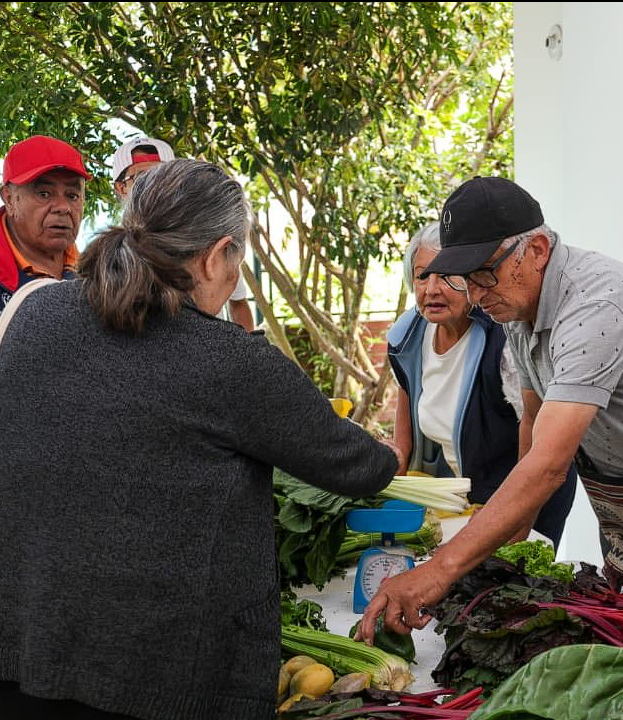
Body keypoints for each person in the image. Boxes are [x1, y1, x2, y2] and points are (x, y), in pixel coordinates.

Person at [0, 159, 399, 720]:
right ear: (217, 256)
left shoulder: (32, 312)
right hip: (160, 684)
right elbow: (360, 467)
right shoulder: (230, 361)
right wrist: (394, 450)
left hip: (26, 654)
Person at [359, 176, 623, 641]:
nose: (475, 296)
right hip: (622, 492)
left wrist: (439, 571)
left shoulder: (596, 306)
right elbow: (534, 424)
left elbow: (546, 466)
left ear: (536, 249)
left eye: (484, 273)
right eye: (466, 278)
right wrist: (507, 549)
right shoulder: (518, 309)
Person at [388, 222, 576, 548]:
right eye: (422, 276)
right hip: (462, 507)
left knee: (517, 586)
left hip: (526, 493)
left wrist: (508, 525)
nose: (432, 288)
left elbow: (536, 436)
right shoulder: (407, 337)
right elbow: (403, 444)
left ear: (473, 279)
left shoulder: (503, 340)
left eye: (447, 276)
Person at [112, 136, 256, 331]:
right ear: (121, 188)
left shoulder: (209, 236)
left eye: (161, 175)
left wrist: (242, 352)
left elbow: (238, 302)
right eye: (141, 177)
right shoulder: (113, 257)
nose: (152, 185)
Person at [1, 135, 89, 312]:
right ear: (9, 200)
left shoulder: (98, 276)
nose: (63, 208)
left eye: (72, 196)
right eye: (44, 194)